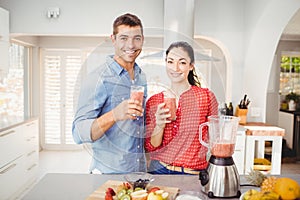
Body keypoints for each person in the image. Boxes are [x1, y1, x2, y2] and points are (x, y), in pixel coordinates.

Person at [72, 13, 147, 174]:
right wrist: (114, 114)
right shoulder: (98, 78)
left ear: (142, 40)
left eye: (136, 38)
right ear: (113, 39)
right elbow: (79, 133)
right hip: (109, 174)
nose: (131, 45)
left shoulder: (141, 76)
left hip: (139, 172)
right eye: (124, 38)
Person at [145, 41, 218, 174]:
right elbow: (151, 147)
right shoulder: (154, 101)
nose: (175, 68)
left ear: (191, 66)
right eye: (170, 62)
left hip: (192, 172)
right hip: (159, 170)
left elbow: (216, 138)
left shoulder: (206, 97)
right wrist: (159, 125)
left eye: (182, 62)